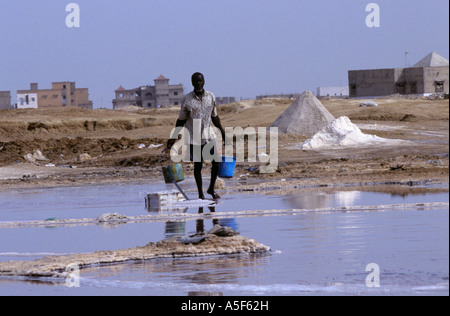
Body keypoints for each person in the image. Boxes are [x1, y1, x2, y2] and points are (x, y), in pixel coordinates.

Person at [167, 72, 226, 200]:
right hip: (194, 138)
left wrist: (223, 132)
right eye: (196, 81)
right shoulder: (187, 99)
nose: (198, 83)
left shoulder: (211, 97)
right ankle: (200, 194)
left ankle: (211, 189)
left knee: (216, 162)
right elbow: (181, 120)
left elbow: (215, 117)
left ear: (204, 82)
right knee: (198, 165)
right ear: (192, 83)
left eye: (200, 81)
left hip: (208, 135)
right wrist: (173, 138)